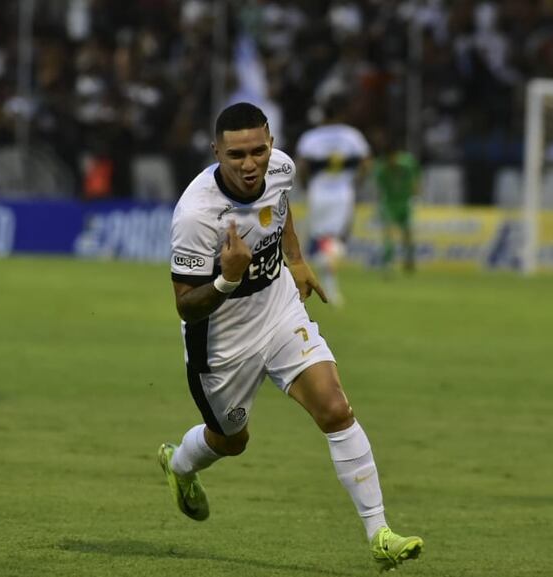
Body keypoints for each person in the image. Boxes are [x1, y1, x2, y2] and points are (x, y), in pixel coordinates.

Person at [159, 102, 422, 571]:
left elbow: (279, 211)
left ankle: (380, 533)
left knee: (336, 408)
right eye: (236, 154)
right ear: (216, 151)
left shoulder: (281, 169)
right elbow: (184, 303)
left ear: (271, 145)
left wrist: (296, 258)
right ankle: (179, 465)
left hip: (278, 309)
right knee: (230, 441)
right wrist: (227, 279)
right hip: (221, 339)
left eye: (258, 150)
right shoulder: (196, 215)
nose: (249, 164)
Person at [295, 95, 371, 307]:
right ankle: (328, 285)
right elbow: (366, 163)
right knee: (335, 240)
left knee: (320, 239)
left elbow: (302, 166)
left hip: (318, 191)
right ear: (342, 113)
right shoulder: (352, 136)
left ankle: (313, 282)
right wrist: (356, 182)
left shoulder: (311, 137)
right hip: (342, 192)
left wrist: (306, 186)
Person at [372, 140, 421, 272]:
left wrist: (415, 192)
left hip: (405, 202)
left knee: (408, 232)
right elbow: (379, 187)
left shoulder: (407, 163)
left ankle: (409, 259)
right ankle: (388, 262)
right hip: (389, 203)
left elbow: (416, 178)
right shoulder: (380, 168)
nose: (392, 161)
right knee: (389, 232)